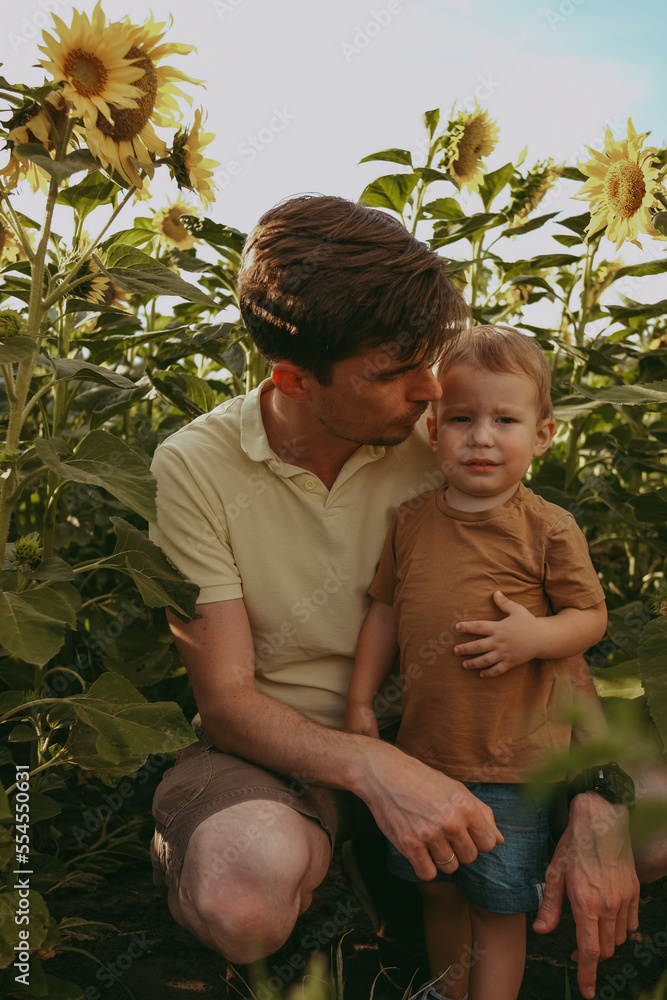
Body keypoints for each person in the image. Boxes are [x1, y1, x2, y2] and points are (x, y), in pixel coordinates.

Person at [149, 195, 658, 1000]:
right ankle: (345, 856)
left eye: (429, 357)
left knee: (653, 813)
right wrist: (375, 767)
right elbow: (227, 702)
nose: (429, 390)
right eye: (393, 372)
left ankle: (429, 880)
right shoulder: (196, 468)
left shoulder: (444, 428)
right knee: (241, 892)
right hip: (290, 756)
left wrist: (596, 791)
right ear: (292, 378)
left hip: (473, 724)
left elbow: (535, 620)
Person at [345, 325, 608, 1000]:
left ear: (542, 435)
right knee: (437, 893)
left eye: (504, 419)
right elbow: (382, 612)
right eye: (460, 419)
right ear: (432, 431)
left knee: (496, 906)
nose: (480, 437)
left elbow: (588, 618)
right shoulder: (410, 521)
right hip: (422, 758)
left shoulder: (546, 528)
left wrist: (531, 639)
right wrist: (358, 701)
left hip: (510, 764)